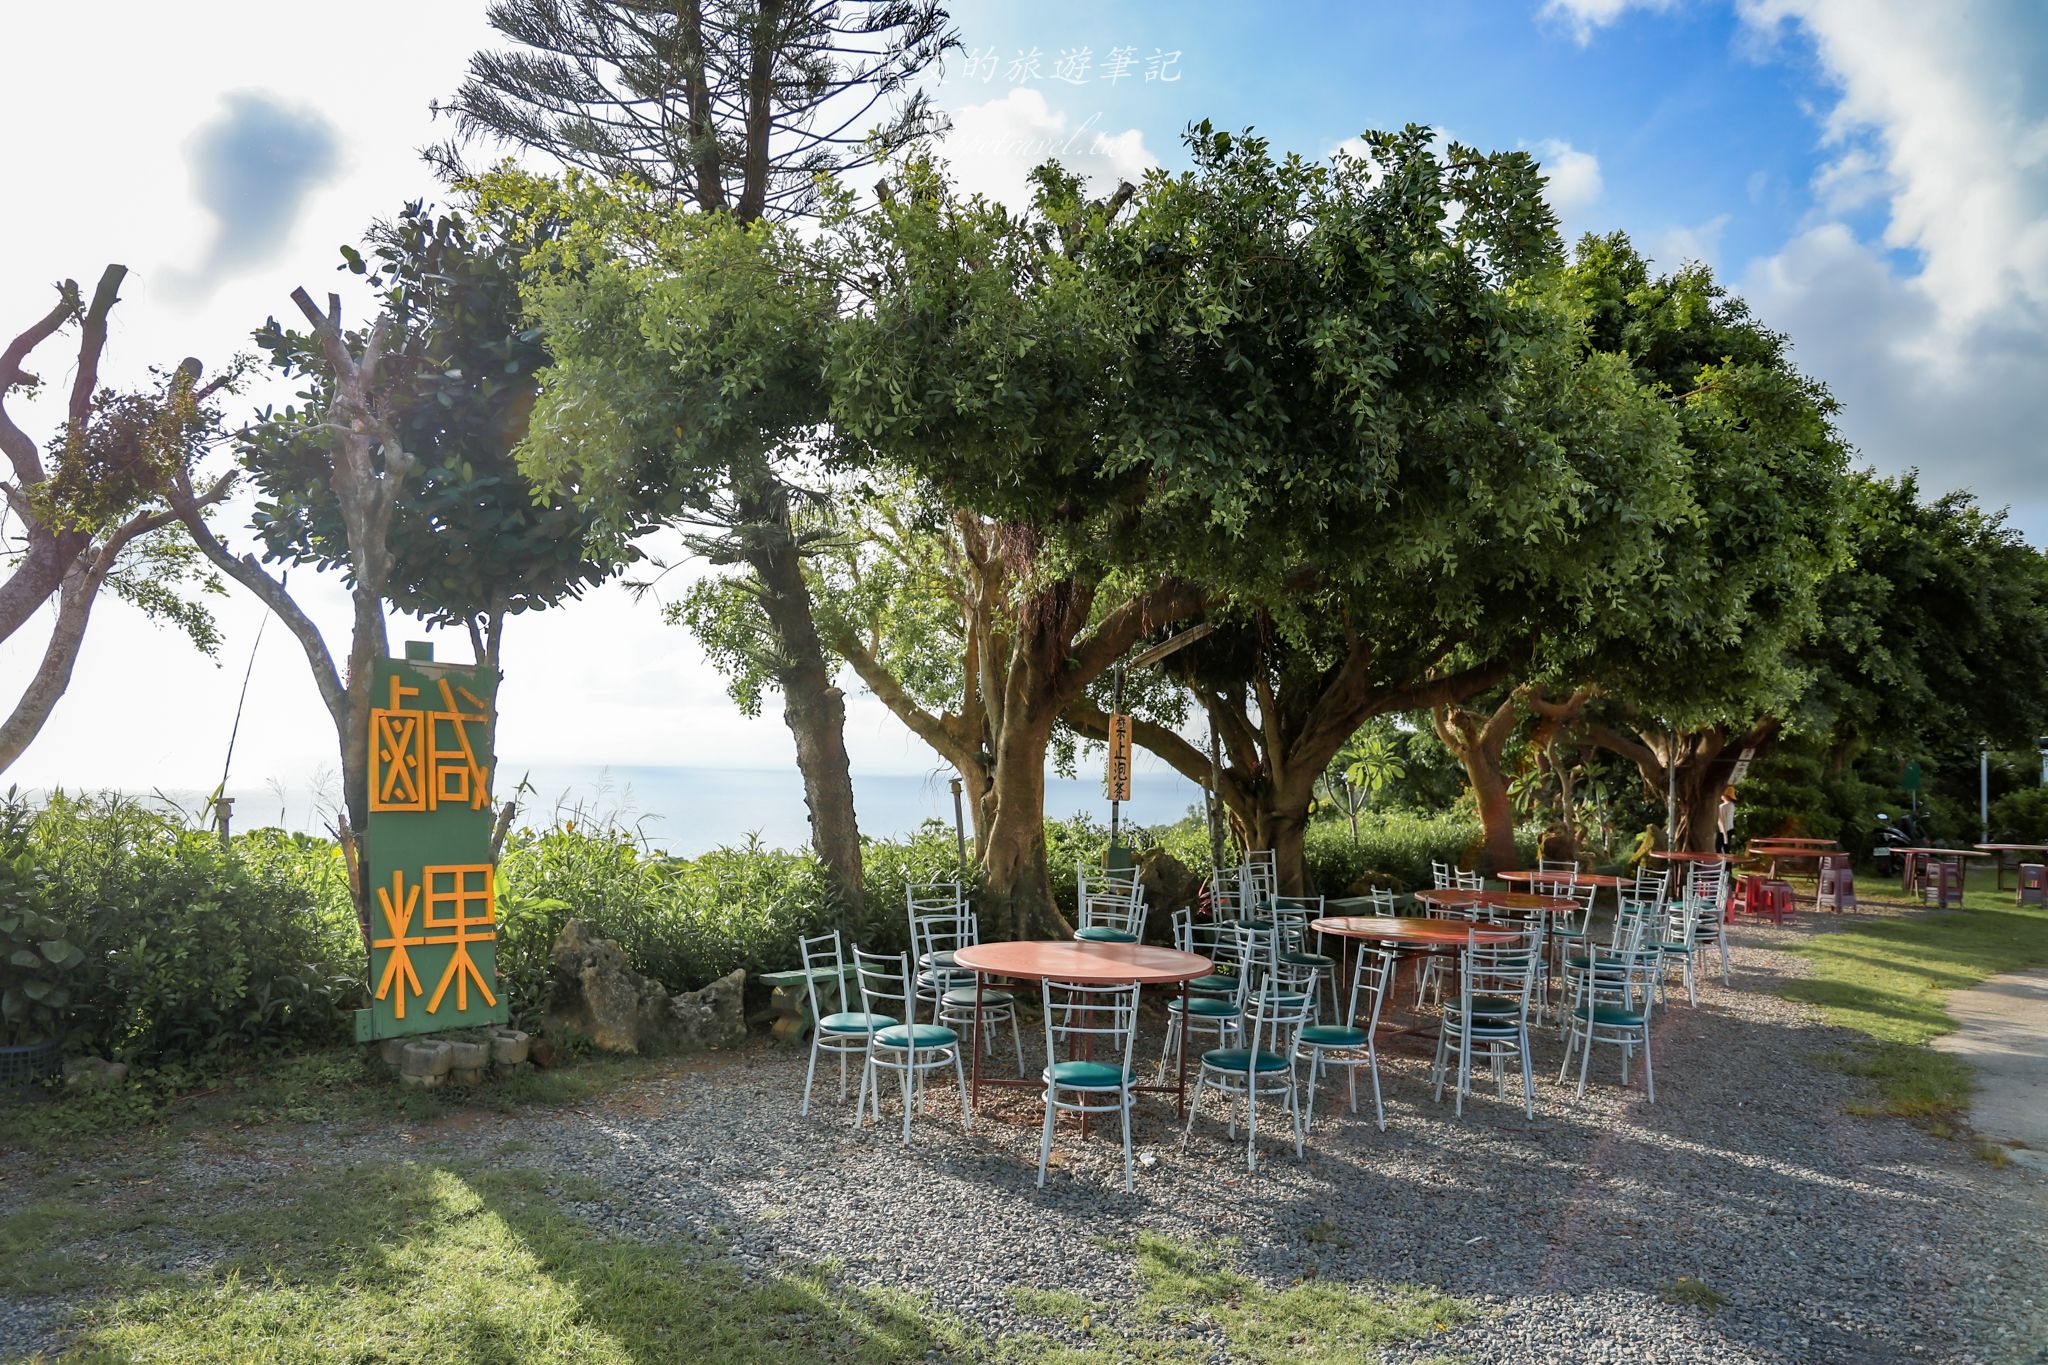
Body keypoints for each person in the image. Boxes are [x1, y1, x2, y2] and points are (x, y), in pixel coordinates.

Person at [1716, 788, 1738, 854]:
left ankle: (1720, 860)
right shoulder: (1732, 805)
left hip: (1723, 829)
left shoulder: (1722, 806)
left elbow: (1722, 821)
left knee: (1718, 847)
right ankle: (1727, 861)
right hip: (1730, 829)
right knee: (1727, 849)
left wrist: (1724, 834)